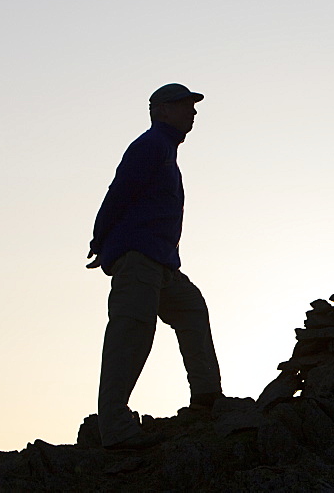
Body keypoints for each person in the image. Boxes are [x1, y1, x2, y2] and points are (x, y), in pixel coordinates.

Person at [87, 83, 223, 449]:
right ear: (162, 110)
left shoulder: (165, 151)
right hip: (138, 258)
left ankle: (208, 397)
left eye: (193, 106)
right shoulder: (149, 147)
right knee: (131, 333)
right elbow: (119, 192)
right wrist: (101, 241)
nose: (193, 112)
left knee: (191, 309)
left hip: (161, 263)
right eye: (184, 105)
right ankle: (115, 429)